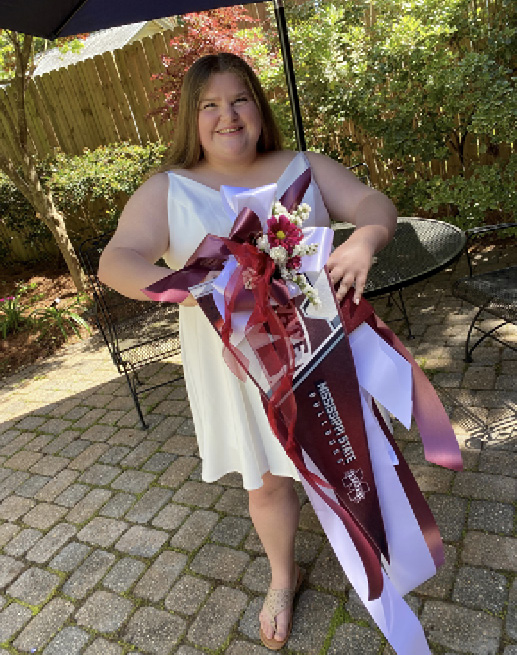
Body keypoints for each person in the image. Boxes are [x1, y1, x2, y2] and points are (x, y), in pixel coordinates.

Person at [98, 52, 397, 650]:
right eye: (209, 105)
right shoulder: (168, 189)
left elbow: (373, 204)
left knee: (351, 453)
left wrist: (364, 240)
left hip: (322, 351)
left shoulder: (302, 165)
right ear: (192, 117)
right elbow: (116, 261)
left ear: (258, 108)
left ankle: (384, 558)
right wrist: (186, 287)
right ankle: (282, 577)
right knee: (266, 481)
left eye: (239, 100)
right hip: (235, 366)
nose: (226, 116)